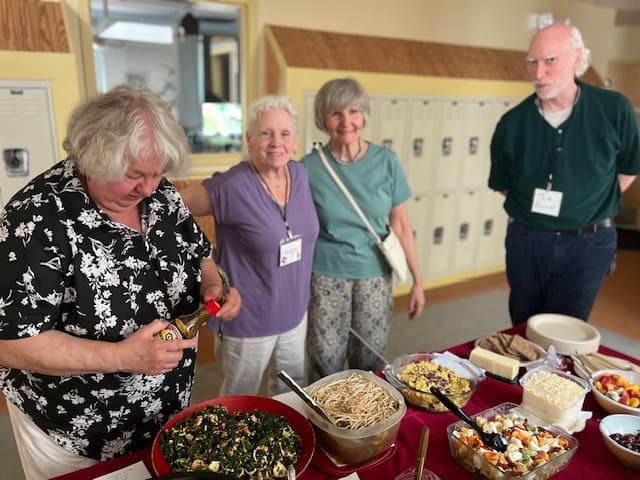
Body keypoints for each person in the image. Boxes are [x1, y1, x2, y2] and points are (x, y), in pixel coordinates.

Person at [0, 83, 241, 480]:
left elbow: (198, 251)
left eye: (157, 172)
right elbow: (10, 342)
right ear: (95, 158)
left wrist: (214, 285)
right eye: (134, 176)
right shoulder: (36, 220)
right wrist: (120, 358)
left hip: (163, 412)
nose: (149, 187)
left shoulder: (160, 193)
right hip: (78, 432)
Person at [489, 23, 640, 325]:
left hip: (588, 243)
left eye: (550, 60)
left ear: (576, 58)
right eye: (532, 61)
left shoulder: (614, 110)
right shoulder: (512, 123)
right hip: (527, 239)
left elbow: (628, 169)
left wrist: (586, 204)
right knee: (523, 327)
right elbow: (505, 184)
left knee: (565, 331)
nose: (538, 72)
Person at [181, 95, 319, 395]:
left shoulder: (301, 174)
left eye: (284, 134)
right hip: (249, 317)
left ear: (295, 141)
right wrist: (203, 261)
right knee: (240, 398)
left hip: (295, 312)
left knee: (292, 393)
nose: (275, 142)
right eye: (266, 133)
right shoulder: (231, 185)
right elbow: (172, 208)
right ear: (250, 139)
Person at [301, 78, 425, 382]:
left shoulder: (387, 161)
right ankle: (323, 426)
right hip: (325, 277)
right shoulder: (309, 167)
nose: (347, 122)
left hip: (374, 276)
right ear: (323, 119)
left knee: (368, 360)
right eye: (336, 113)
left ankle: (365, 428)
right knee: (324, 360)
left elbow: (402, 225)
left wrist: (418, 282)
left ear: (364, 115)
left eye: (354, 112)